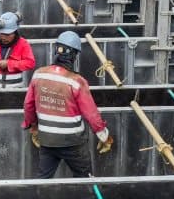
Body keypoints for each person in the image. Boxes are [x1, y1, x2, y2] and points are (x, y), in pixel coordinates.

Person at [22, 31, 113, 179]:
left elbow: (28, 105)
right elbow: (91, 114)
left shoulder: (39, 74)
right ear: (75, 55)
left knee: (42, 180)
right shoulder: (76, 81)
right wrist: (104, 136)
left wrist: (33, 127)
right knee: (84, 179)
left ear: (56, 49)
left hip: (47, 139)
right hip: (73, 141)